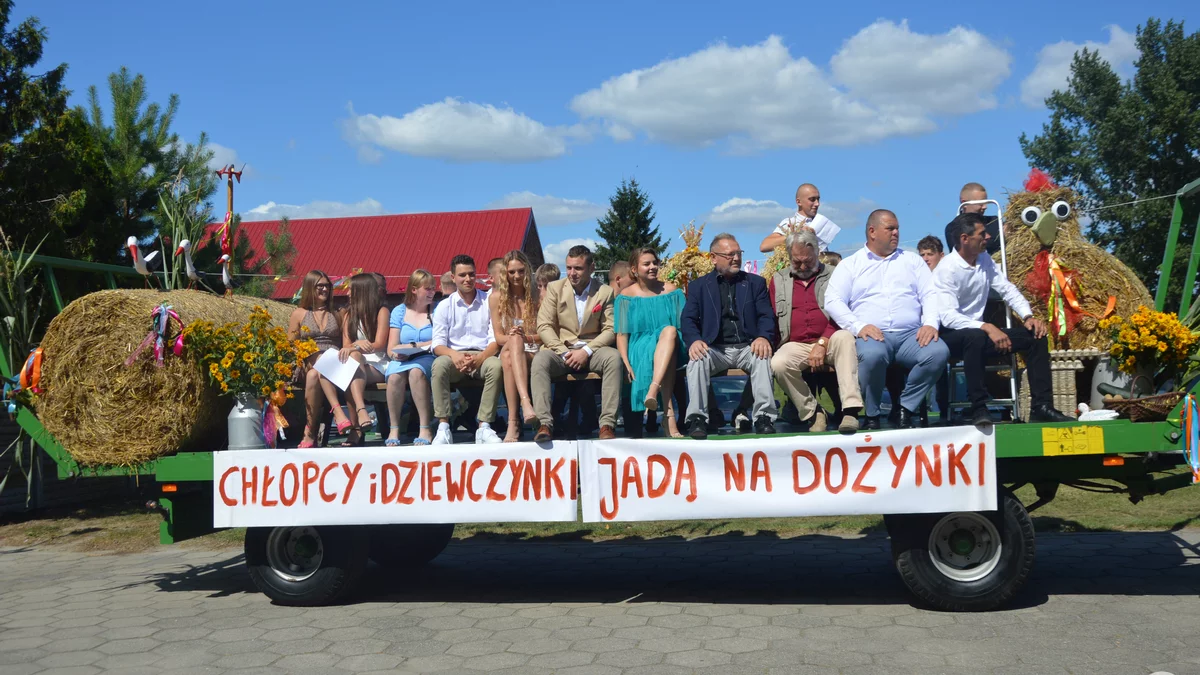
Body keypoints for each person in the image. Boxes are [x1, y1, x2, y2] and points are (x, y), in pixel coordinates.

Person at [935, 213, 1073, 425]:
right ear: (965, 239)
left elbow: (1007, 290)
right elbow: (948, 317)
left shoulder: (984, 260)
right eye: (982, 234)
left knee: (1035, 337)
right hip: (950, 338)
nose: (988, 237)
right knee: (974, 336)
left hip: (979, 334)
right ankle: (978, 408)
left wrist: (1028, 316)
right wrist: (987, 326)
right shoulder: (946, 269)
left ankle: (1041, 407)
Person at [825, 210, 949, 429]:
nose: (896, 233)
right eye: (890, 228)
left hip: (911, 334)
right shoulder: (851, 264)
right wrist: (858, 326)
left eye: (897, 228)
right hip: (873, 335)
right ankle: (872, 414)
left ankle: (904, 408)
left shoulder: (912, 261)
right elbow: (833, 300)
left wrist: (930, 323)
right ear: (872, 232)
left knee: (938, 352)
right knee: (872, 356)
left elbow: (929, 293)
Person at [681, 233, 777, 439]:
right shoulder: (699, 286)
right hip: (714, 348)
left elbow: (766, 316)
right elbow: (688, 319)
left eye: (739, 253)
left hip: (748, 346)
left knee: (763, 357)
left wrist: (763, 337)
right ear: (713, 258)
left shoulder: (755, 283)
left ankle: (764, 417)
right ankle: (698, 419)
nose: (736, 258)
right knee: (696, 360)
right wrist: (694, 340)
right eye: (730, 254)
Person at [768, 228, 862, 434]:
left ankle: (850, 411)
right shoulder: (779, 279)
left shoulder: (835, 274)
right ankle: (813, 412)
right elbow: (773, 318)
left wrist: (822, 342)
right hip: (796, 343)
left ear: (817, 252)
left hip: (831, 338)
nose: (802, 266)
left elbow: (844, 314)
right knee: (778, 363)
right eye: (797, 262)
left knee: (845, 338)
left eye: (808, 261)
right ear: (789, 256)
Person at [531, 245, 621, 441]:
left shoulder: (605, 292)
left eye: (578, 268)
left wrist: (586, 351)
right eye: (569, 268)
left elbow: (610, 329)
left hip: (592, 349)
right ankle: (544, 424)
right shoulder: (555, 288)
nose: (572, 273)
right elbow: (544, 326)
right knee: (540, 360)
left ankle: (607, 424)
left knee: (613, 358)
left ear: (591, 268)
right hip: (561, 349)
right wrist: (564, 352)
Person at [430, 254, 504, 445]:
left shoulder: (489, 301)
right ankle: (443, 427)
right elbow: (437, 344)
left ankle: (484, 426)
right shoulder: (444, 306)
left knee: (496, 366)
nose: (468, 279)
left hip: (483, 354)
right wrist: (454, 355)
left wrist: (481, 358)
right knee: (439, 366)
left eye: (471, 274)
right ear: (453, 277)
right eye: (462, 275)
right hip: (454, 356)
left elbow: (495, 338)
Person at [616, 248, 685, 438]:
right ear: (634, 269)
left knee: (669, 332)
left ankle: (653, 390)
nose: (653, 267)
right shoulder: (625, 296)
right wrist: (625, 362)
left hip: (673, 343)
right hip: (639, 346)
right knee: (666, 347)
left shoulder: (672, 291)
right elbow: (621, 334)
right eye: (646, 264)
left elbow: (683, 325)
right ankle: (668, 416)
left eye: (655, 262)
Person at [288, 270, 350, 448]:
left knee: (314, 375)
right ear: (310, 287)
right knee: (317, 364)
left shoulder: (339, 312)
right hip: (307, 360)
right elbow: (290, 344)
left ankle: (309, 432)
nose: (325, 289)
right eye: (320, 286)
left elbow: (346, 343)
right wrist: (306, 351)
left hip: (334, 362)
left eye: (327, 286)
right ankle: (337, 412)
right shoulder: (299, 313)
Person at [488, 250, 542, 442]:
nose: (517, 276)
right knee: (510, 349)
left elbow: (545, 334)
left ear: (527, 270)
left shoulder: (537, 296)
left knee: (508, 356)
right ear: (505, 273)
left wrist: (524, 337)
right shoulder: (496, 298)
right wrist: (514, 337)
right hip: (510, 347)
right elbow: (498, 337)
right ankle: (525, 405)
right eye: (512, 272)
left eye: (521, 271)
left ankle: (514, 421)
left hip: (534, 349)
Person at [384, 269, 437, 446]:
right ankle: (394, 428)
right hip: (403, 358)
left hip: (428, 356)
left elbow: (439, 340)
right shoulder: (399, 311)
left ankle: (424, 427)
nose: (432, 292)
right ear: (414, 289)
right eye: (427, 288)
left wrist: (415, 346)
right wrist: (396, 354)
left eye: (433, 288)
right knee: (394, 377)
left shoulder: (436, 310)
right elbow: (391, 347)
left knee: (416, 372)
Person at [337, 274, 390, 446]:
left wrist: (356, 347)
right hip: (356, 362)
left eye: (351, 289)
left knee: (350, 371)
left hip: (377, 363)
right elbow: (346, 346)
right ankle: (361, 413)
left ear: (362, 291)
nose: (348, 293)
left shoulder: (381, 311)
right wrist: (358, 345)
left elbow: (379, 344)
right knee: (353, 362)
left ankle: (357, 428)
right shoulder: (349, 315)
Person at [760, 183, 841, 253]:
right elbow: (764, 246)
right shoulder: (791, 222)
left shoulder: (820, 222)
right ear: (799, 202)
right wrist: (796, 235)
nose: (817, 204)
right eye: (812, 199)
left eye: (818, 199)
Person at [945, 183, 1000, 254]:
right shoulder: (953, 228)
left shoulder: (994, 221)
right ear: (964, 203)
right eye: (980, 203)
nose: (985, 207)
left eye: (986, 202)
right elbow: (965, 251)